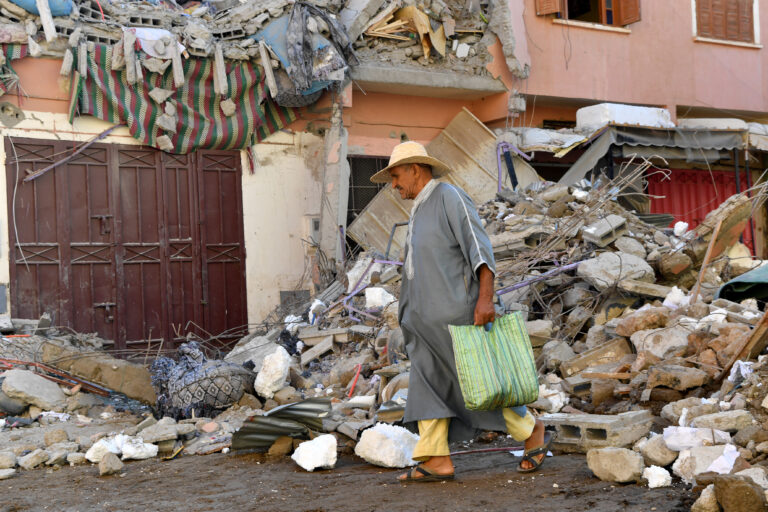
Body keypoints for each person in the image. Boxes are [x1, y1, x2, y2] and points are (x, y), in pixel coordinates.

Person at [370, 141, 555, 483]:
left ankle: (532, 430)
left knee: (480, 383)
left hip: (459, 318)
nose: (393, 185)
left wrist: (485, 299)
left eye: (395, 176)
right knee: (428, 385)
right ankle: (437, 459)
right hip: (423, 324)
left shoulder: (449, 197)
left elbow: (480, 249)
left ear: (415, 168)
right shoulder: (419, 209)